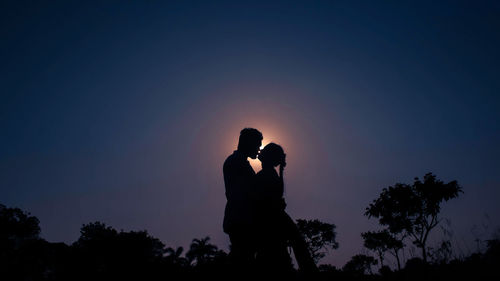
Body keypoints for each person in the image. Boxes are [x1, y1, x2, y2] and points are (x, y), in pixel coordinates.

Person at [254, 143, 318, 274]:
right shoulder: (267, 174)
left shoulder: (267, 173)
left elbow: (277, 193)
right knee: (292, 246)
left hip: (272, 218)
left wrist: (281, 171)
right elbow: (277, 194)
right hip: (272, 217)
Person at [222, 128, 263, 270]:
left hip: (240, 219)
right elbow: (247, 193)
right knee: (242, 260)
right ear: (248, 143)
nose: (259, 149)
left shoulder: (239, 162)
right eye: (258, 144)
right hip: (241, 220)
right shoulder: (236, 162)